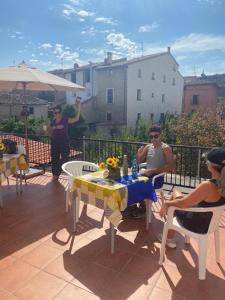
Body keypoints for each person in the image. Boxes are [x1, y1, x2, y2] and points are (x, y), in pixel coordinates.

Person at [159, 147, 225, 248]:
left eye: (207, 161)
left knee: (173, 204)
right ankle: (169, 230)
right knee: (176, 193)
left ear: (211, 166)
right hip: (211, 221)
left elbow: (183, 204)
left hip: (197, 224)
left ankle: (169, 237)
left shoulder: (208, 186)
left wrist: (167, 204)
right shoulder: (221, 185)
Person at [124, 125, 174, 218]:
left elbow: (170, 167)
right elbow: (138, 161)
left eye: (156, 136)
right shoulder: (148, 147)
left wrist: (152, 170)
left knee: (140, 185)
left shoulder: (165, 148)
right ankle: (132, 206)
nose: (153, 139)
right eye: (151, 137)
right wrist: (138, 155)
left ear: (161, 136)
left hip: (157, 177)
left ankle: (144, 208)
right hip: (146, 175)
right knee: (129, 182)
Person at [48, 96, 81, 181]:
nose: (56, 114)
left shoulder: (65, 120)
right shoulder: (52, 122)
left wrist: (78, 107)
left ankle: (57, 172)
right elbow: (50, 133)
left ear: (60, 113)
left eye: (58, 112)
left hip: (64, 142)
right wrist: (48, 131)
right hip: (55, 142)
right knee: (54, 159)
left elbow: (76, 118)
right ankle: (55, 175)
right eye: (55, 112)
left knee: (65, 159)